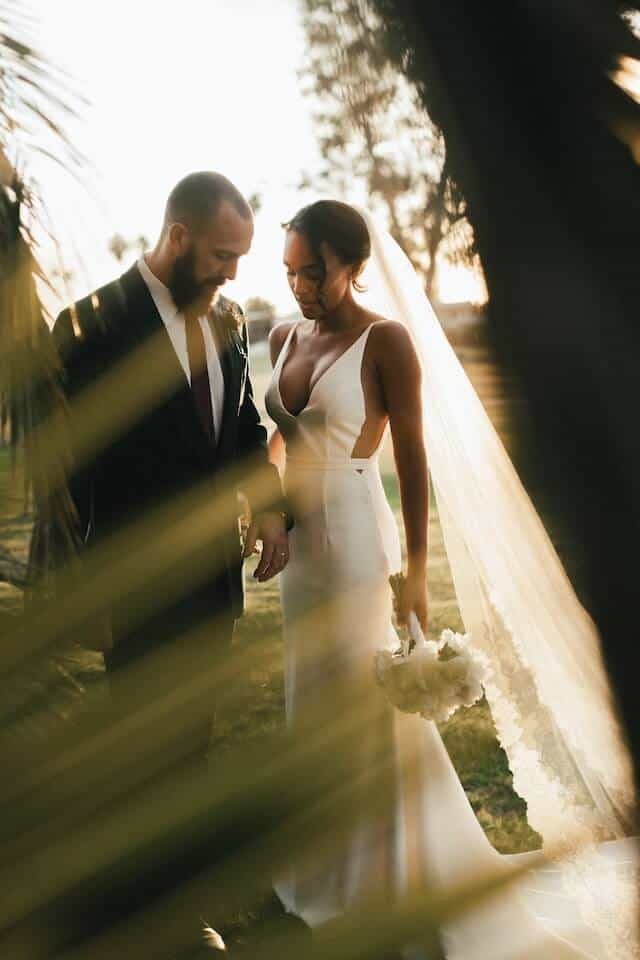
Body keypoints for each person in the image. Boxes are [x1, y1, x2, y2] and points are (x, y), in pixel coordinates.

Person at [266, 200, 638, 958]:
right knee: (314, 704)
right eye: (291, 272)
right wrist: (265, 510)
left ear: (353, 266)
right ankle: (331, 864)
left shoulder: (387, 341)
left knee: (372, 714)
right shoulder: (282, 335)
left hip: (357, 542)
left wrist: (412, 569)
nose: (301, 286)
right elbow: (279, 437)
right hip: (300, 558)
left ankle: (403, 875)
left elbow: (412, 455)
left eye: (315, 271)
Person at [51, 172, 291, 955]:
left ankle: (177, 912)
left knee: (191, 746)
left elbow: (246, 429)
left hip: (212, 580)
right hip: (134, 582)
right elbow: (65, 472)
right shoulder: (90, 322)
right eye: (223, 255)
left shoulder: (225, 319)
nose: (233, 273)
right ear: (177, 237)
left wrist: (272, 509)